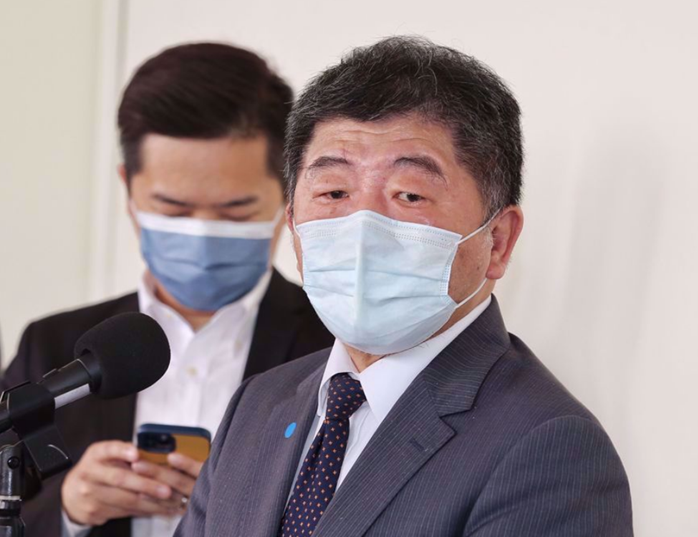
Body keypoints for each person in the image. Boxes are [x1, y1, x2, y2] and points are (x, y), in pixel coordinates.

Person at [176, 36, 633, 537]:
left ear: (498, 241)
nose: (362, 227)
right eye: (334, 192)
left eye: (410, 195)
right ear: (293, 224)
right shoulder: (258, 404)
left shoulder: (549, 446)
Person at [0, 43, 333, 537]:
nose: (201, 233)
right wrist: (70, 508)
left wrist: (235, 506)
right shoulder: (54, 346)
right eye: (173, 210)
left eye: (235, 212)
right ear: (128, 190)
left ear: (289, 192)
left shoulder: (337, 344)